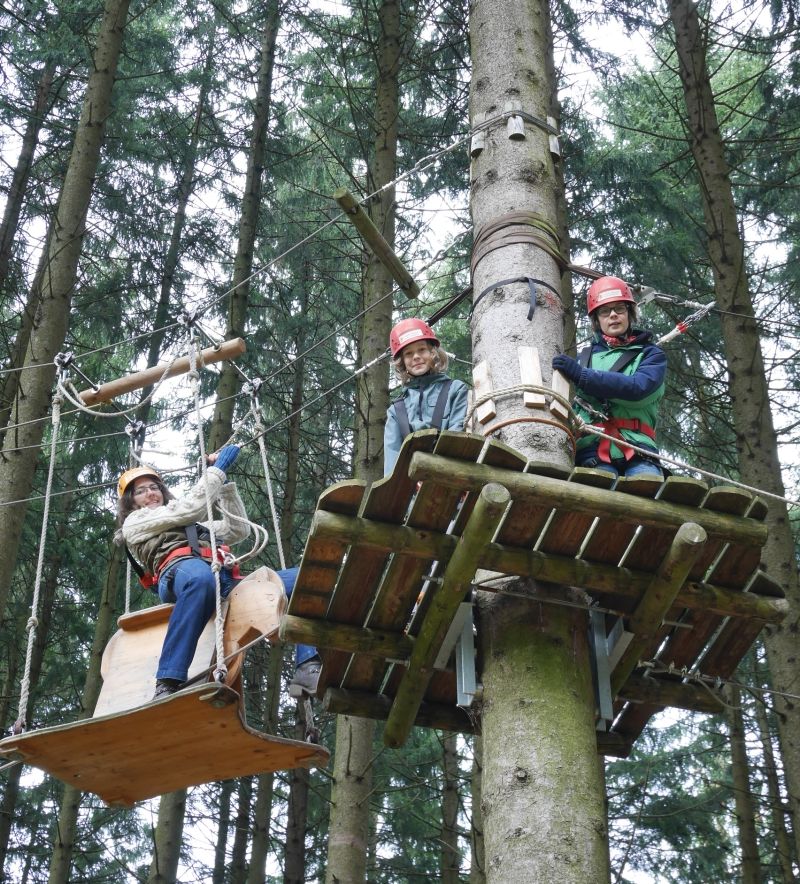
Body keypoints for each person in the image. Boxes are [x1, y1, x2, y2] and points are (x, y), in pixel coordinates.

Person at [116, 448, 319, 700]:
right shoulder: (136, 523)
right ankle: (168, 679)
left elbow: (238, 529)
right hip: (178, 573)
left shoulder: (190, 525)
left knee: (305, 579)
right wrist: (216, 470)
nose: (150, 493)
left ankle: (308, 664)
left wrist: (223, 485)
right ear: (131, 502)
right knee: (199, 579)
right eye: (141, 491)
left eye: (154, 487)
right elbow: (189, 509)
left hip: (220, 578)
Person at [551, 275, 666, 478]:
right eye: (605, 311)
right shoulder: (583, 360)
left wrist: (583, 376)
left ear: (630, 314)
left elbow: (638, 389)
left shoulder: (650, 355)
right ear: (597, 320)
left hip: (639, 450)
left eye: (619, 309)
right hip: (592, 451)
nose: (613, 315)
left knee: (647, 494)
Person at [384, 318, 469, 476]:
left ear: (433, 353)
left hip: (451, 477)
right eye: (408, 353)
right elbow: (392, 462)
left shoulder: (455, 390)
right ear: (402, 362)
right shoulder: (396, 411)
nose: (416, 356)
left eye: (421, 350)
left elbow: (457, 437)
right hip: (411, 490)